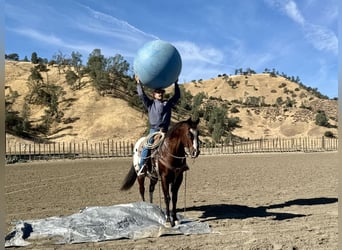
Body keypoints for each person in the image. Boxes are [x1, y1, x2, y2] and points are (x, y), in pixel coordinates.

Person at [135, 75, 180, 174]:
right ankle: (142, 165)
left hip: (165, 131)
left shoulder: (168, 104)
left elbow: (177, 96)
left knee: (176, 144)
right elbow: (142, 95)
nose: (160, 94)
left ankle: (179, 164)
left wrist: (176, 83)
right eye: (158, 92)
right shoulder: (150, 104)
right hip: (154, 130)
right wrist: (138, 84)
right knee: (148, 145)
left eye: (161, 92)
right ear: (153, 94)